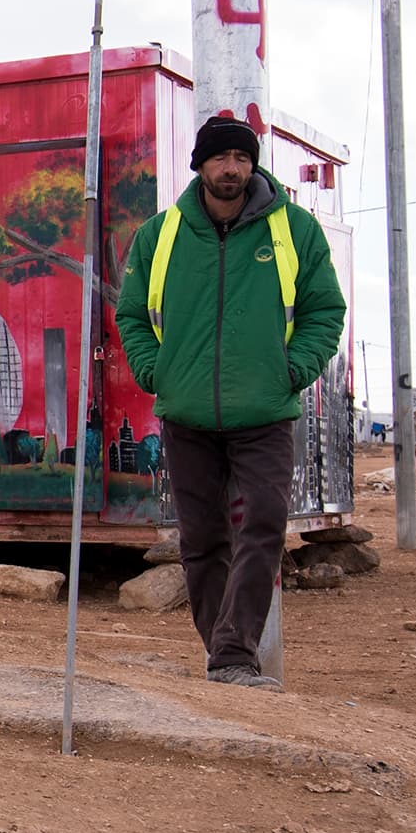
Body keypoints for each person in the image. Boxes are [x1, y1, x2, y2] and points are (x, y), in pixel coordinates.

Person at [114, 114, 347, 689]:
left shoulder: (295, 230)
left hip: (266, 411)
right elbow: (132, 315)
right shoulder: (160, 235)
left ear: (253, 164)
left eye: (242, 159)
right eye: (220, 159)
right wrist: (154, 370)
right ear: (200, 165)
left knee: (265, 524)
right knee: (203, 540)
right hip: (186, 412)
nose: (231, 169)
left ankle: (235, 653)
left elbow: (325, 311)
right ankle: (224, 655)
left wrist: (292, 371)